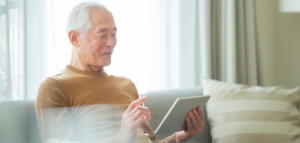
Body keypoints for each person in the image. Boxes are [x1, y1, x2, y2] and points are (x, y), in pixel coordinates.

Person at [36, 2, 204, 143]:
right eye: (102, 34)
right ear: (74, 38)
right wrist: (121, 138)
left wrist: (180, 137)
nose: (111, 42)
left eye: (113, 34)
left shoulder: (126, 85)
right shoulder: (55, 87)